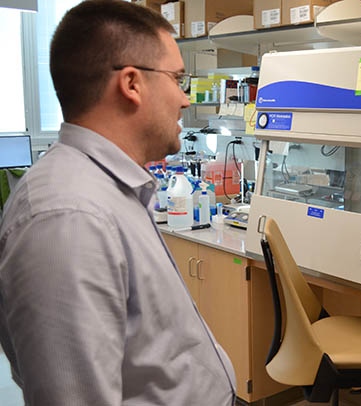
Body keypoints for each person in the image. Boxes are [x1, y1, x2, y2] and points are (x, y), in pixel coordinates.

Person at [0, 1, 236, 404]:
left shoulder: (111, 190)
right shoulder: (68, 218)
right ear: (131, 83)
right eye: (178, 78)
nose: (184, 98)